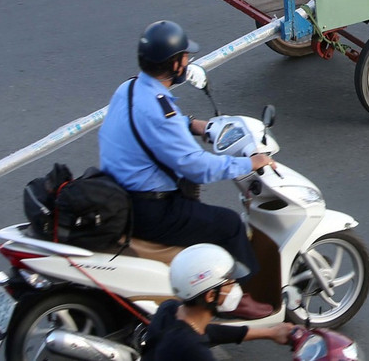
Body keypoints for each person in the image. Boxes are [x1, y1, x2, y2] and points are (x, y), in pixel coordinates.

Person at [98, 20, 274, 320]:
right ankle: (237, 299)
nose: (188, 61)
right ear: (175, 64)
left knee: (203, 218)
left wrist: (195, 125)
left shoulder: (129, 88)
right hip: (151, 210)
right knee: (229, 223)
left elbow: (156, 123)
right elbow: (197, 168)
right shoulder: (159, 110)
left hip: (122, 195)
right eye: (185, 57)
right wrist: (250, 163)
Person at [142, 244, 295, 361]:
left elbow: (209, 332)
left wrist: (271, 333)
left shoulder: (170, 310)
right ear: (210, 296)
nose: (236, 287)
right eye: (230, 282)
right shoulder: (193, 351)